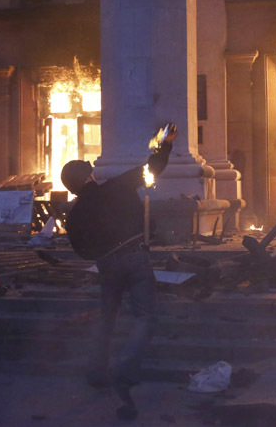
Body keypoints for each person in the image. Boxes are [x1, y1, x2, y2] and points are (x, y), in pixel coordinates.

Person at [62, 123, 177, 421]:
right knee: (145, 316)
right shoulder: (118, 186)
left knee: (107, 316)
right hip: (135, 257)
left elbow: (81, 250)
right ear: (88, 176)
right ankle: (124, 372)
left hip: (106, 265)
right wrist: (164, 144)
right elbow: (154, 167)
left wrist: (101, 255)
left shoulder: (74, 215)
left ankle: (96, 371)